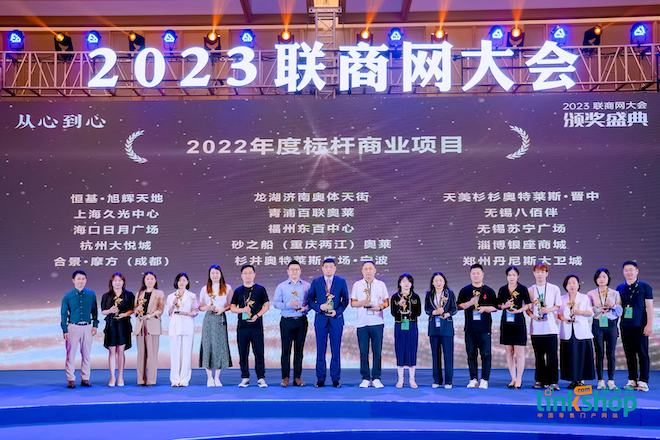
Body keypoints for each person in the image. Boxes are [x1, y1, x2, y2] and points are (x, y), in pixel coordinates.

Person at [308, 257, 350, 388]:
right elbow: (310, 300)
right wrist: (319, 307)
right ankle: (320, 379)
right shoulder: (316, 282)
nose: (328, 269)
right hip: (321, 320)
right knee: (320, 350)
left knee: (335, 350)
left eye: (331, 267)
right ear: (322, 268)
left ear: (335, 268)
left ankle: (335, 379)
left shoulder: (341, 281)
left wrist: (337, 312)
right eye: (326, 267)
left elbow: (345, 301)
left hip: (336, 320)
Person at [457, 264, 498, 389]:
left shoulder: (489, 291)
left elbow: (495, 307)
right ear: (470, 275)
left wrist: (485, 308)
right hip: (470, 328)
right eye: (473, 273)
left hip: (484, 328)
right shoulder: (465, 290)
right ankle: (473, 379)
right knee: (471, 354)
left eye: (478, 273)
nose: (476, 275)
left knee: (486, 354)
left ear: (482, 274)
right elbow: (458, 306)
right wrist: (470, 303)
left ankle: (484, 379)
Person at [350, 261, 389, 388]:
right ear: (362, 271)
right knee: (363, 352)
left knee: (377, 351)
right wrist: (362, 302)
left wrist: (379, 307)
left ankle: (376, 377)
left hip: (377, 322)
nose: (368, 271)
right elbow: (353, 303)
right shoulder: (357, 285)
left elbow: (386, 302)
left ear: (375, 270)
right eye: (365, 269)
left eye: (370, 268)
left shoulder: (381, 284)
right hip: (362, 324)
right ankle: (365, 378)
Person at [230, 264, 270, 388]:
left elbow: (266, 305)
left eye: (250, 273)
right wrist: (242, 310)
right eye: (245, 273)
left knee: (259, 352)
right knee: (243, 353)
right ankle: (245, 377)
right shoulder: (238, 291)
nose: (248, 275)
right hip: (242, 327)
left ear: (254, 274)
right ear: (241, 276)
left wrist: (257, 315)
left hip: (256, 326)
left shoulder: (260, 289)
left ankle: (261, 378)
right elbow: (232, 307)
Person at [273, 260, 311, 387]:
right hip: (286, 321)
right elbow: (276, 303)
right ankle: (285, 377)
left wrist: (305, 308)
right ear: (288, 271)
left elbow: (311, 303)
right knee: (286, 350)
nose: (294, 271)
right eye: (292, 269)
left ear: (300, 271)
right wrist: (288, 305)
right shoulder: (281, 286)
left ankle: (297, 378)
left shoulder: (307, 286)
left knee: (299, 351)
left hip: (301, 321)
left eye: (297, 269)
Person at [617, 260, 653, 392]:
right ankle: (632, 380)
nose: (629, 272)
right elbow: (618, 308)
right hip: (625, 326)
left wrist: (649, 325)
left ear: (637, 271)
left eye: (631, 270)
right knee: (629, 354)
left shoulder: (645, 287)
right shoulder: (620, 288)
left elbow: (649, 308)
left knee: (643, 354)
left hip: (641, 326)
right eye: (626, 270)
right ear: (623, 272)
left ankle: (643, 381)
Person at [527, 262, 562, 390]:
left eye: (542, 272)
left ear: (546, 273)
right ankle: (540, 380)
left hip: (551, 328)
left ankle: (553, 382)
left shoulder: (554, 288)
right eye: (537, 272)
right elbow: (527, 308)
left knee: (552, 356)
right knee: (539, 356)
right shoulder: (530, 290)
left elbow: (558, 305)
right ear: (534, 273)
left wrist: (548, 310)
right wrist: (533, 316)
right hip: (536, 329)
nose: (540, 274)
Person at [60, 270, 98, 388]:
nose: (81, 281)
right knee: (70, 354)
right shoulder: (67, 296)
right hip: (73, 327)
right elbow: (64, 314)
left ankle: (85, 378)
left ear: (86, 280)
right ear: (73, 280)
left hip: (87, 327)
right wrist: (65, 329)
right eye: (78, 279)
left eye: (83, 279)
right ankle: (71, 379)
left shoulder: (91, 294)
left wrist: (95, 325)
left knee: (86, 354)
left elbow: (95, 311)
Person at [586, 268, 622, 390]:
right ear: (596, 279)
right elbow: (588, 310)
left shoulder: (615, 293)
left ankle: (611, 381)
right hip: (597, 324)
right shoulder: (591, 293)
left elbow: (620, 311)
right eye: (599, 277)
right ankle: (600, 380)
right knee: (599, 353)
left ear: (608, 278)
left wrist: (613, 305)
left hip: (611, 324)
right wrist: (597, 309)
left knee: (611, 353)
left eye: (604, 277)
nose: (601, 279)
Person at [558, 275, 595, 389]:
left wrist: (579, 312)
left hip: (581, 331)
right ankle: (573, 379)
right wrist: (565, 319)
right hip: (567, 330)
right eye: (569, 283)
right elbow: (558, 314)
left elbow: (590, 313)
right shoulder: (562, 298)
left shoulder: (584, 298)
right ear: (565, 286)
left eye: (574, 282)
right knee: (569, 356)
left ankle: (580, 379)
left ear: (578, 285)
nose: (572, 285)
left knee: (581, 355)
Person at [497, 266, 531, 389]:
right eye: (509, 275)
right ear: (507, 276)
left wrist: (519, 310)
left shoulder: (522, 288)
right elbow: (498, 305)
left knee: (519, 352)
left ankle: (519, 378)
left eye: (514, 275)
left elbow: (528, 304)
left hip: (518, 322)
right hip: (506, 322)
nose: (511, 277)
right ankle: (513, 378)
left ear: (518, 276)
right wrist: (504, 306)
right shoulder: (502, 289)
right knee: (509, 351)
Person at [199, 264, 233, 387]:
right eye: (212, 273)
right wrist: (208, 307)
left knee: (219, 346)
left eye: (217, 273)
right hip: (208, 318)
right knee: (207, 345)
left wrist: (222, 309)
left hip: (220, 318)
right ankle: (209, 378)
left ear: (220, 274)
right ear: (209, 275)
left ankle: (217, 378)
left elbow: (230, 305)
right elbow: (200, 307)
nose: (214, 275)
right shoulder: (204, 289)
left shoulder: (227, 288)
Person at [100, 272, 134, 387]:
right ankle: (112, 377)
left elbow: (132, 309)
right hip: (111, 325)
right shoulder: (106, 295)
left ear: (123, 282)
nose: (117, 283)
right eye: (115, 281)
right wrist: (110, 311)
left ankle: (120, 377)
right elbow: (103, 311)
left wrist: (125, 314)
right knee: (112, 351)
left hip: (123, 325)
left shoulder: (129, 295)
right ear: (112, 282)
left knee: (120, 351)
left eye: (120, 280)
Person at [165, 272, 199, 387]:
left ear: (187, 282)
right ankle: (175, 379)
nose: (181, 282)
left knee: (186, 353)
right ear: (177, 282)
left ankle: (184, 379)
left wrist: (188, 313)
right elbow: (169, 313)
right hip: (175, 325)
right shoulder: (171, 296)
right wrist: (173, 304)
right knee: (174, 353)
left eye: (184, 280)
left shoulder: (192, 296)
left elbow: (196, 311)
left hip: (187, 324)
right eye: (180, 280)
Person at [424, 272, 457, 389]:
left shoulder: (450, 293)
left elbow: (454, 308)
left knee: (448, 355)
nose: (438, 283)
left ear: (444, 282)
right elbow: (426, 309)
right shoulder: (429, 294)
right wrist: (434, 312)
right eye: (436, 281)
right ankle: (437, 380)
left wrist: (447, 314)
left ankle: (448, 381)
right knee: (435, 355)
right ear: (432, 283)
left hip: (446, 327)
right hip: (434, 327)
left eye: (440, 280)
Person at [391, 273, 422, 388]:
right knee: (400, 350)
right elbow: (393, 313)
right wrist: (399, 305)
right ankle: (400, 380)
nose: (406, 284)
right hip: (400, 325)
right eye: (403, 281)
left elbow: (419, 312)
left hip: (411, 325)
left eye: (408, 281)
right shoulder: (395, 297)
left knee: (412, 350)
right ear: (400, 283)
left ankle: (412, 380)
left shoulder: (415, 297)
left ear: (411, 284)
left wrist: (409, 313)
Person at [133, 271, 164, 386]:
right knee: (141, 354)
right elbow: (135, 310)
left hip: (152, 324)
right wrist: (137, 310)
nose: (150, 281)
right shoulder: (139, 293)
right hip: (140, 325)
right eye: (147, 279)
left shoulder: (159, 293)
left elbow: (160, 310)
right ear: (144, 281)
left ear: (155, 281)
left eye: (152, 279)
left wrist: (149, 316)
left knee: (152, 354)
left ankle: (151, 380)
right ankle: (141, 379)